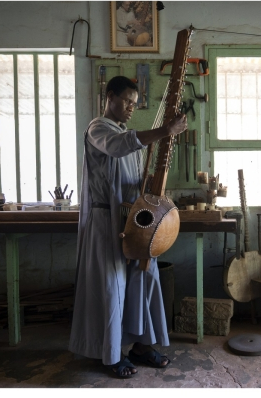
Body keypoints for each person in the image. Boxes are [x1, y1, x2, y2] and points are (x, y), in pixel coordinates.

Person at [69, 75, 188, 378]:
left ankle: (141, 345)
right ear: (109, 97)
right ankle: (110, 355)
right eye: (126, 101)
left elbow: (133, 177)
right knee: (112, 287)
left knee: (144, 278)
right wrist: (165, 130)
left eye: (135, 103)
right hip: (105, 221)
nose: (131, 108)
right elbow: (120, 146)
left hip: (133, 221)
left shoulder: (125, 133)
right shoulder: (98, 128)